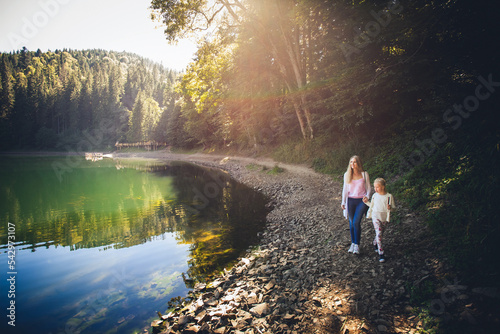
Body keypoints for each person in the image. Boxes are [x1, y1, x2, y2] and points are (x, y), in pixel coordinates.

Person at [341, 155, 371, 255]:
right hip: (350, 200)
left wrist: (367, 196)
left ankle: (357, 245)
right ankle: (353, 243)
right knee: (351, 222)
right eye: (351, 162)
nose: (352, 164)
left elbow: (369, 188)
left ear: (358, 163)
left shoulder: (364, 174)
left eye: (354, 162)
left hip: (361, 201)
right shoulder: (347, 174)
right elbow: (345, 190)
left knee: (356, 222)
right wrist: (343, 202)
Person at [363, 178, 395, 263]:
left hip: (384, 217)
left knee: (380, 234)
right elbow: (372, 206)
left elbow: (393, 209)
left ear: (383, 187)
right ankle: (381, 254)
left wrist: (390, 208)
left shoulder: (389, 196)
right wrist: (366, 202)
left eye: (377, 187)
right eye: (374, 187)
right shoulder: (374, 196)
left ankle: (375, 243)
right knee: (379, 233)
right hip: (375, 216)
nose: (375, 189)